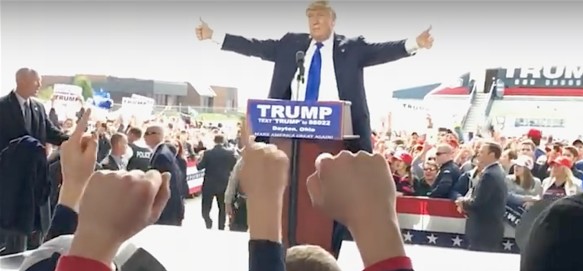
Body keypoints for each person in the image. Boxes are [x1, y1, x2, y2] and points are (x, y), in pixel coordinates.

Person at [195, 0, 433, 152]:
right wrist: (214, 35)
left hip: (339, 137)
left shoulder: (351, 48)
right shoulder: (291, 44)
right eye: (310, 16)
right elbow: (254, 46)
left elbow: (383, 50)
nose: (314, 21)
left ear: (333, 19)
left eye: (320, 15)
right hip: (291, 133)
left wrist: (415, 43)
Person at [0, 68, 69, 253]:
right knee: (11, 227)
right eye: (36, 81)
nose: (40, 85)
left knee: (34, 226)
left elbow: (51, 133)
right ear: (21, 81)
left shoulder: (38, 107)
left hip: (34, 179)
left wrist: (74, 140)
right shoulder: (2, 106)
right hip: (9, 180)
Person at [456, 142, 508, 252]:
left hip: (483, 230)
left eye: (482, 152)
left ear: (492, 155)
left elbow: (478, 202)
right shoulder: (498, 171)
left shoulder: (489, 174)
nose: (478, 154)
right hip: (491, 228)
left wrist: (463, 202)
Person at [144, 125, 185, 226]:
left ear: (156, 135)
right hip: (171, 207)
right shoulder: (163, 152)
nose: (144, 137)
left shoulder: (161, 156)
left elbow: (163, 184)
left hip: (167, 209)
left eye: (146, 134)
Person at [197, 134, 237, 230]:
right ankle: (221, 227)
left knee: (205, 208)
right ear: (223, 141)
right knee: (222, 208)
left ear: (214, 141)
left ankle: (208, 221)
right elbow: (234, 168)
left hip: (209, 184)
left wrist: (199, 159)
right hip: (224, 183)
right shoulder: (230, 153)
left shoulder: (207, 153)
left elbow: (199, 167)